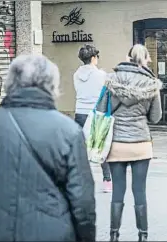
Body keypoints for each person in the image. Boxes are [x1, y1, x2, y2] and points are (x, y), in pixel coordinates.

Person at [0, 55, 96, 241]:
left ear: (10, 83)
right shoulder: (69, 131)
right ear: (52, 85)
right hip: (53, 232)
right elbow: (82, 201)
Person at [97, 44, 162, 242]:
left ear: (128, 57)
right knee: (139, 190)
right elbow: (156, 117)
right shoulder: (150, 83)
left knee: (118, 190)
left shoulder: (111, 80)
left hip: (116, 143)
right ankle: (143, 235)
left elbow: (100, 109)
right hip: (141, 143)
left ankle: (114, 235)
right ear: (145, 60)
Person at [73, 44, 112, 193]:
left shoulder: (76, 75)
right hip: (95, 113)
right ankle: (107, 180)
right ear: (93, 58)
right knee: (100, 147)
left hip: (80, 113)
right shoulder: (101, 75)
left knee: (82, 149)